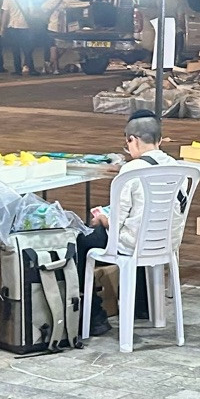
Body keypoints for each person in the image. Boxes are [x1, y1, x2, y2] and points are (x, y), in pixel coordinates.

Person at [74, 111, 184, 336]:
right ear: (160, 140)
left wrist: (102, 218)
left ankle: (94, 316)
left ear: (132, 139)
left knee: (80, 240)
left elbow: (117, 220)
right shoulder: (176, 166)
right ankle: (142, 308)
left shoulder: (132, 170)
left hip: (132, 243)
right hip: (166, 242)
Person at [3, 0, 35, 75]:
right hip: (25, 26)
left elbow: (5, 14)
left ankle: (17, 69)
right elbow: (31, 12)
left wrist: (3, 27)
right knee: (27, 49)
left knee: (15, 49)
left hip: (13, 26)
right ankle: (31, 68)